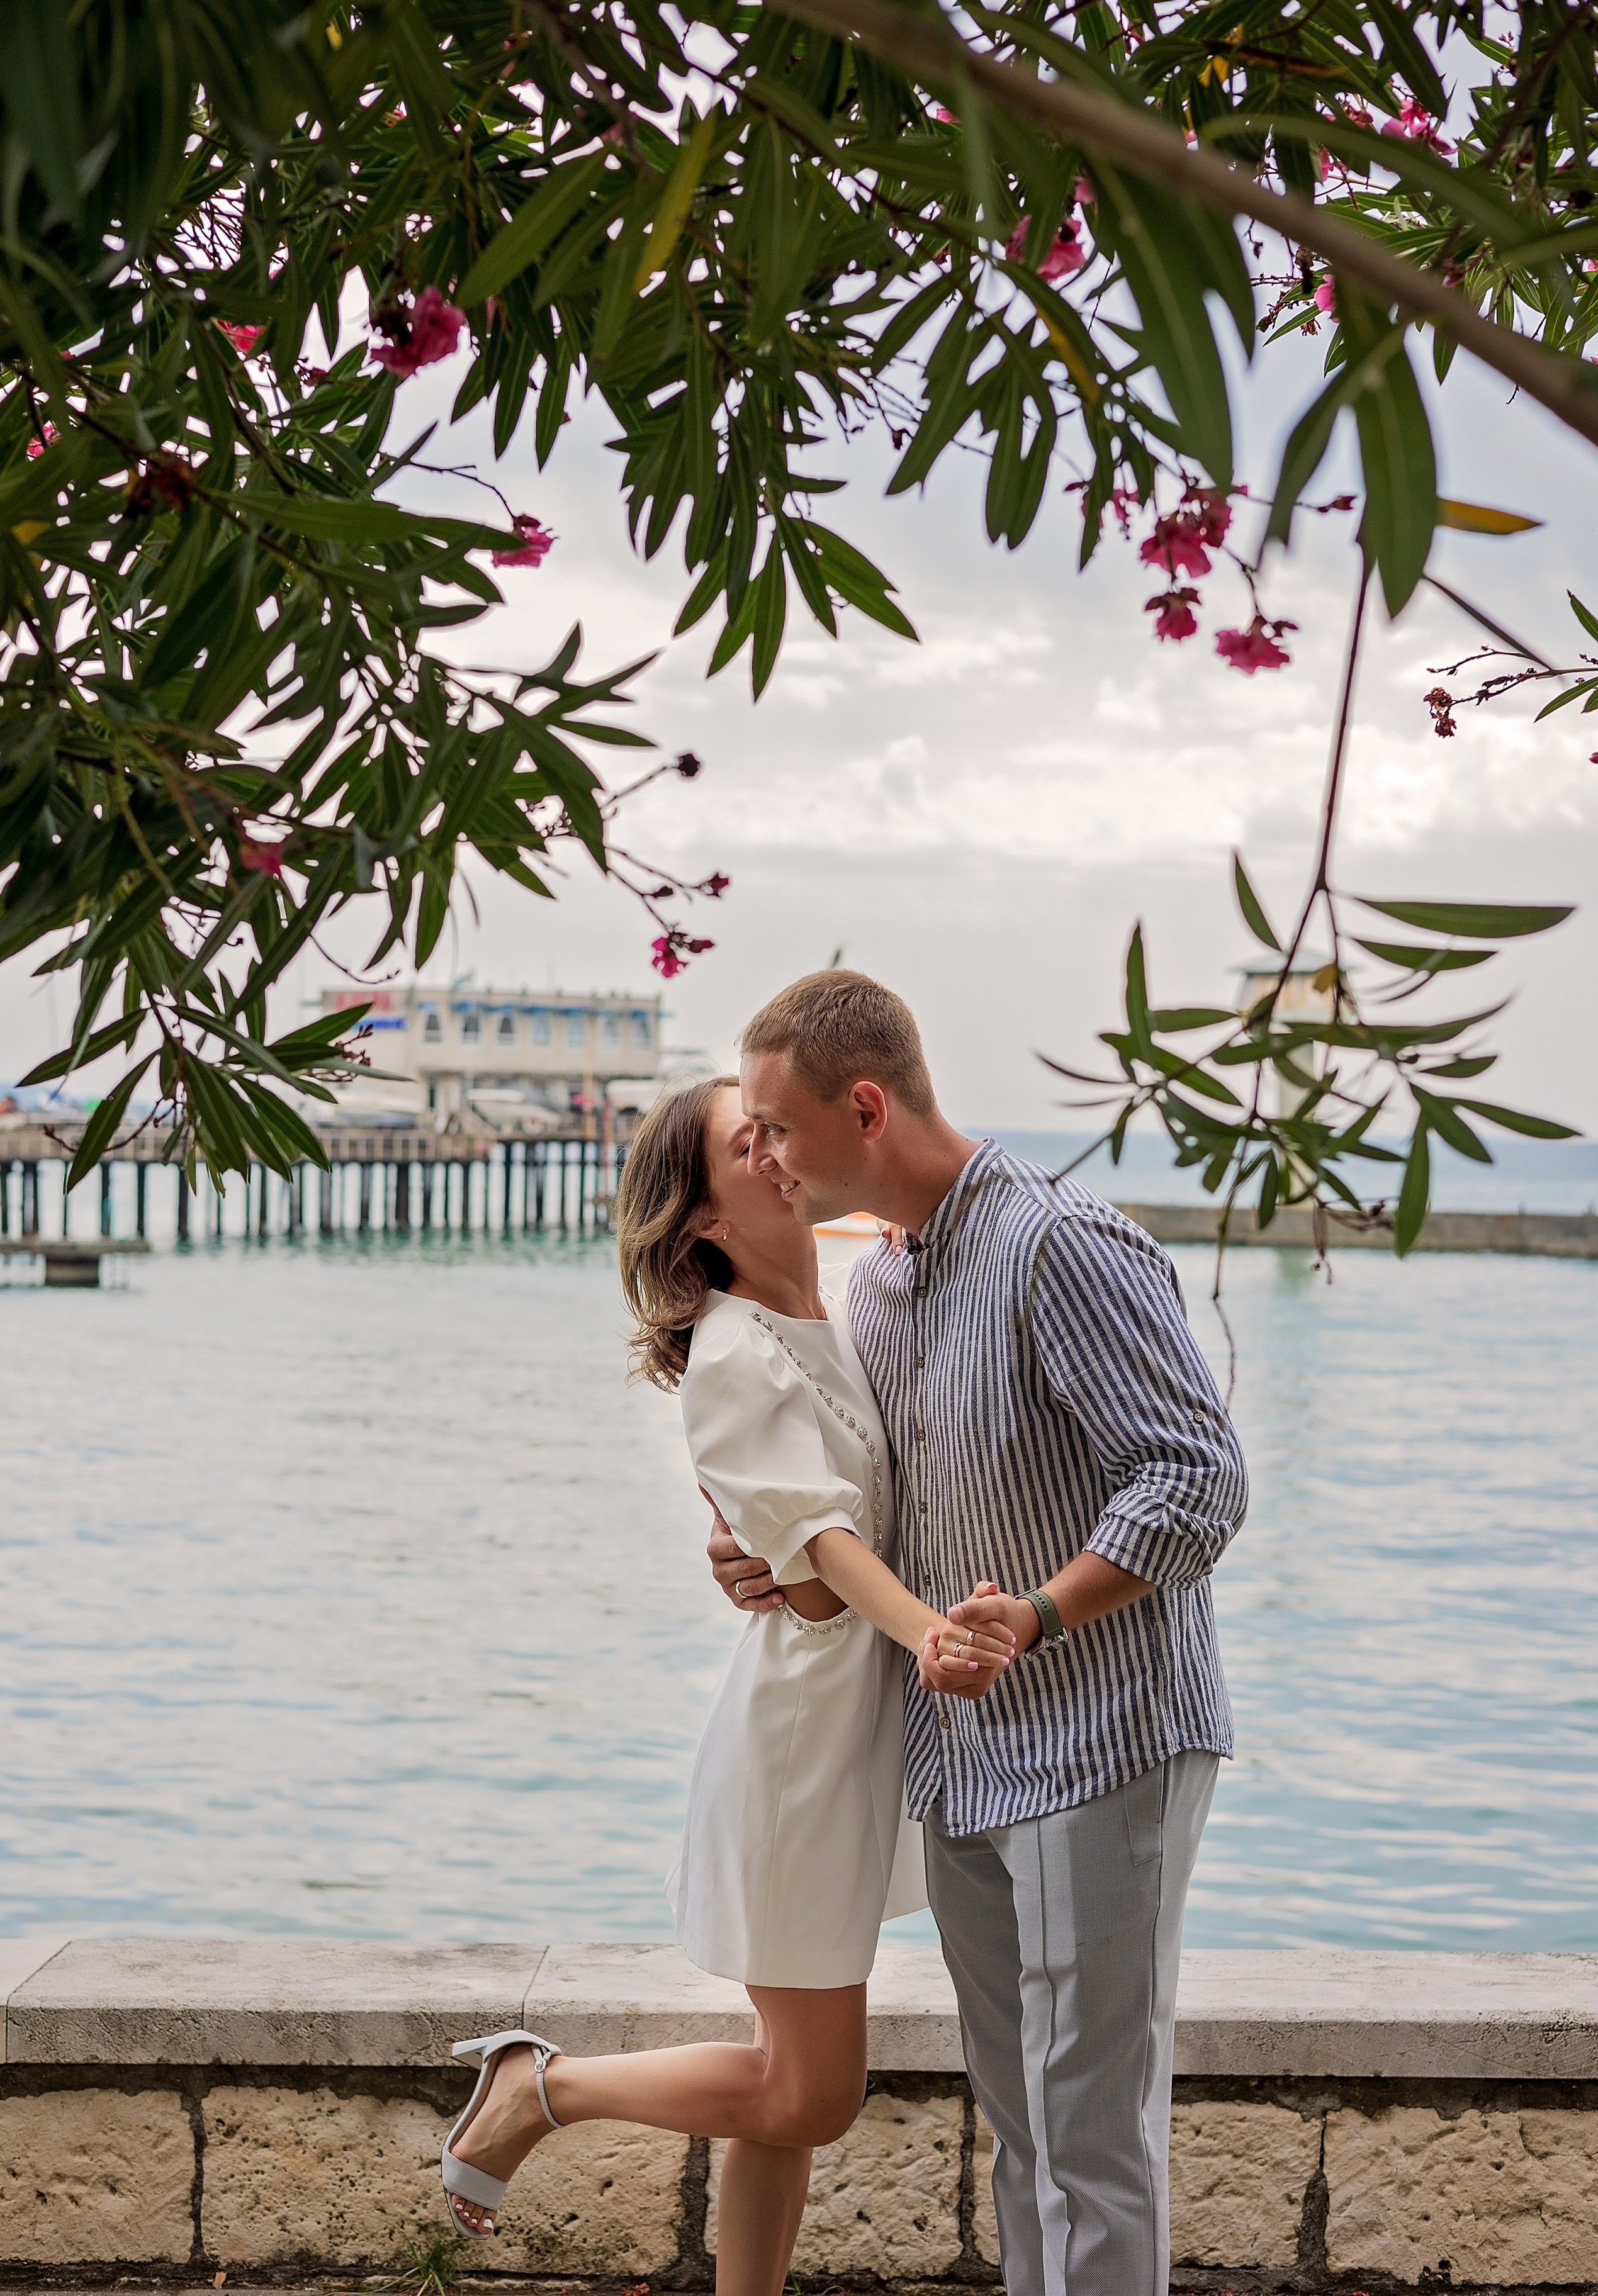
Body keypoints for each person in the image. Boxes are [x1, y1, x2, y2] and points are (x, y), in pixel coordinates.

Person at [705, 970, 1248, 2296]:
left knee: (1088, 2140)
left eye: (775, 1127)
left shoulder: (1058, 1245)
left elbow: (1194, 1477)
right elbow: (879, 1519)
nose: (763, 1156)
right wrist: (778, 1565)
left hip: (1101, 1739)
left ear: (867, 1104)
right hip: (952, 1757)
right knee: (1024, 2136)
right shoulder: (877, 1291)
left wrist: (1045, 1607)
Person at [439, 1074, 1017, 2278]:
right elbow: (817, 1563)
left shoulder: (840, 1315)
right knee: (810, 2094)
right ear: (701, 1216)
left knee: (780, 2090)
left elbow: (812, 1539)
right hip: (800, 1753)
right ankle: (542, 2086)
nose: (772, 1144)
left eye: (769, 1125)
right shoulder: (736, 1351)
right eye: (742, 1140)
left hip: (847, 1743)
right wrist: (925, 1632)